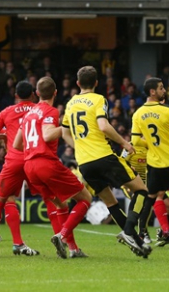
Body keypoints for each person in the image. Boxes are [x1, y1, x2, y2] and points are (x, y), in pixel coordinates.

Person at [61, 66, 151, 258]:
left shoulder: (70, 103)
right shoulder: (98, 99)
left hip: (84, 163)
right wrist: (124, 143)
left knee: (110, 201)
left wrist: (79, 147)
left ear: (77, 83)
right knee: (142, 190)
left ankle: (136, 241)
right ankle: (128, 231)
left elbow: (64, 132)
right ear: (96, 83)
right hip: (103, 156)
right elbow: (103, 126)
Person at [14, 76, 92, 259]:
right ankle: (62, 235)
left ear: (37, 94)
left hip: (29, 166)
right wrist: (68, 126)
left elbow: (17, 144)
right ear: (55, 93)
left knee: (60, 204)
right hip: (45, 163)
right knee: (86, 198)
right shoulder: (51, 111)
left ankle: (72, 249)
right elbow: (48, 135)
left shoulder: (28, 115)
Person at [131, 77, 169, 247]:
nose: (164, 90)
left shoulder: (137, 114)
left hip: (155, 163)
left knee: (150, 198)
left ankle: (142, 234)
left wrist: (151, 144)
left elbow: (136, 141)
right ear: (152, 92)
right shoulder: (168, 111)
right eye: (161, 88)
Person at [0, 80, 40, 258]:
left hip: (14, 161)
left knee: (0, 200)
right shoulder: (39, 109)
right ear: (33, 94)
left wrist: (6, 134)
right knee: (51, 199)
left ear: (16, 95)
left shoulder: (7, 111)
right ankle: (65, 243)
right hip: (35, 160)